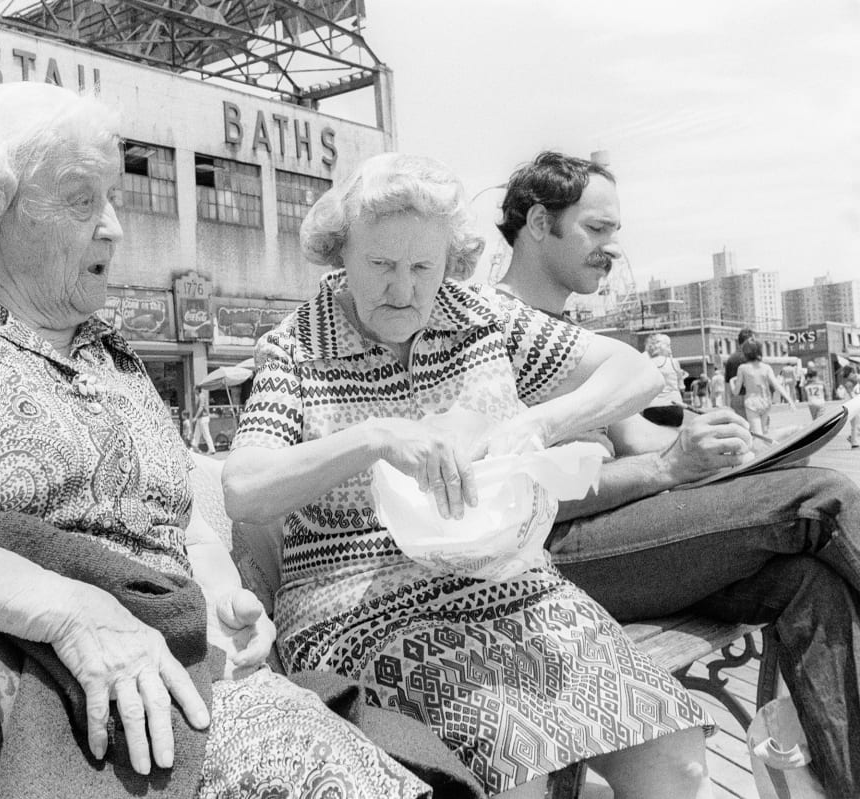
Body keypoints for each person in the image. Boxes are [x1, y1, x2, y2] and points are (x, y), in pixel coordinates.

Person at [0, 83, 436, 799]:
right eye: (82, 200)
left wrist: (227, 603)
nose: (113, 226)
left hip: (185, 687)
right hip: (40, 708)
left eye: (111, 198)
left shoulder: (115, 356)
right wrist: (72, 609)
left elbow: (186, 527)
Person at [224, 152, 717, 798]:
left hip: (513, 587)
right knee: (516, 761)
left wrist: (536, 424)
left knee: (675, 754)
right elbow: (243, 486)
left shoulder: (482, 315)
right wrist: (372, 439)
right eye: (380, 265)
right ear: (342, 254)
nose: (403, 289)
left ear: (450, 261)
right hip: (360, 605)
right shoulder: (298, 344)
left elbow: (637, 374)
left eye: (422, 267)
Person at [496, 149, 860, 796]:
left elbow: (639, 439)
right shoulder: (490, 329)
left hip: (619, 541)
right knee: (822, 495)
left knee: (806, 581)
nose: (611, 249)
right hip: (550, 557)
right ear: (537, 221)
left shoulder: (566, 328)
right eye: (596, 229)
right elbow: (522, 494)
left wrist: (707, 441)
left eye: (615, 233)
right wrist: (669, 466)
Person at [734, 339, 794, 435]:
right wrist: (789, 400)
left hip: (751, 402)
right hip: (766, 401)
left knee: (758, 434)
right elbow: (776, 384)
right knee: (764, 431)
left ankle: (769, 448)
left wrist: (731, 382)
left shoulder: (742, 368)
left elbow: (736, 392)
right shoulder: (766, 367)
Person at [642, 332, 686, 425]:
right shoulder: (674, 362)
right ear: (664, 347)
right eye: (669, 346)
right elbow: (682, 387)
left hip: (651, 407)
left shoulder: (645, 364)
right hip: (673, 405)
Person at [723, 328, 753, 417]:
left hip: (736, 399)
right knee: (755, 428)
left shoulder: (731, 359)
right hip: (751, 397)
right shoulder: (751, 357)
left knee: (740, 427)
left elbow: (727, 385)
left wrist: (727, 405)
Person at [189, 388, 216, 453]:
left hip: (202, 418)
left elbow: (201, 408)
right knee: (197, 433)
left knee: (206, 434)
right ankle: (194, 447)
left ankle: (212, 449)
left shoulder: (201, 396)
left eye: (194, 390)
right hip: (202, 418)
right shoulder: (201, 396)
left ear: (197, 390)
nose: (193, 391)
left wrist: (195, 417)